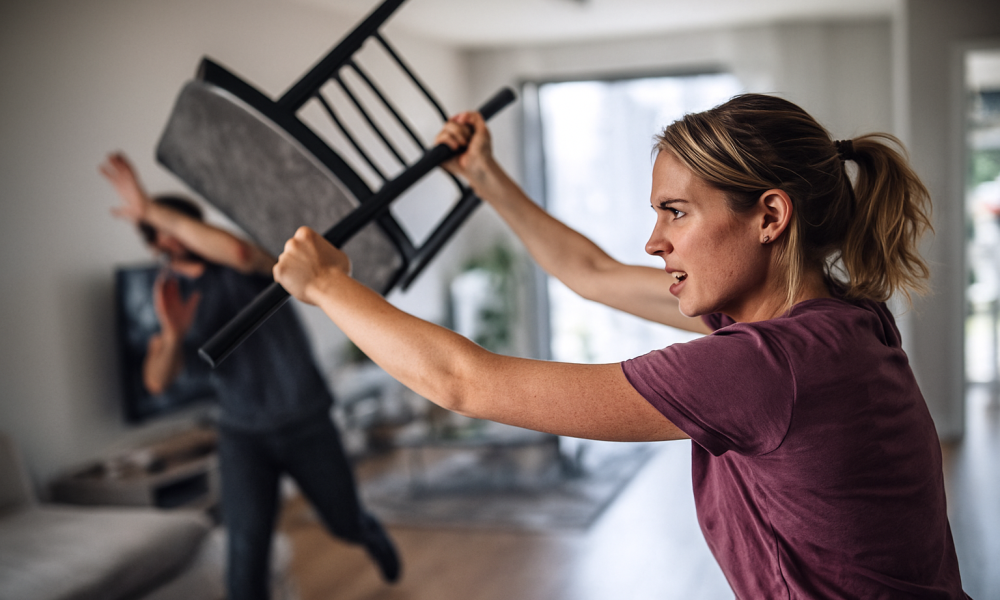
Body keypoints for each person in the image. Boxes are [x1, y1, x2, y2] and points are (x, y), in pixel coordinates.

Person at [271, 93, 969, 598]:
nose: (654, 240)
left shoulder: (765, 370)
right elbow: (593, 274)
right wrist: (486, 176)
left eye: (676, 211)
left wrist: (329, 286)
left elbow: (463, 383)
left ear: (770, 215)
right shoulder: (842, 322)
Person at [100, 153, 401, 599]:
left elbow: (240, 252)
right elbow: (157, 380)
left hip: (305, 420)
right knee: (246, 549)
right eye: (160, 232)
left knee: (344, 521)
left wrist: (150, 209)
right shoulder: (167, 292)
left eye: (176, 226)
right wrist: (173, 332)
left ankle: (370, 534)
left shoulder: (250, 265)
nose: (170, 238)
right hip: (242, 434)